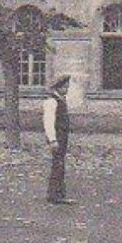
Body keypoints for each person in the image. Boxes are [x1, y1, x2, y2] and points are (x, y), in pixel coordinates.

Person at [43, 73, 74, 204]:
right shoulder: (51, 101)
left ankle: (58, 193)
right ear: (58, 87)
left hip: (62, 136)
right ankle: (54, 194)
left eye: (67, 87)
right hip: (57, 137)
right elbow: (48, 122)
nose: (66, 89)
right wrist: (52, 140)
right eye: (64, 87)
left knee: (60, 164)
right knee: (57, 164)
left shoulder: (60, 100)